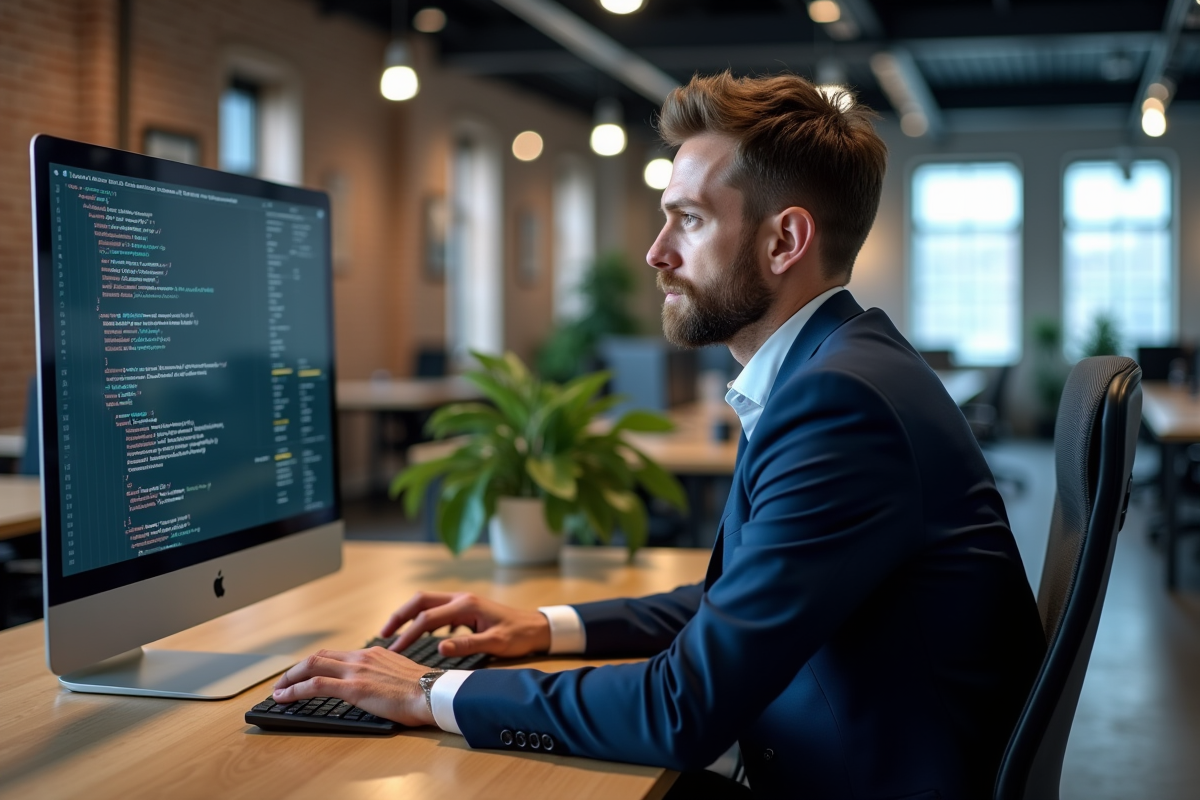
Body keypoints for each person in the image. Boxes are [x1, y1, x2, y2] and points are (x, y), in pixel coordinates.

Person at [273, 72, 1046, 799]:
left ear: (785, 242)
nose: (656, 253)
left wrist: (431, 689)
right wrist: (546, 626)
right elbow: (733, 603)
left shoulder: (840, 402)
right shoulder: (831, 367)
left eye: (691, 219)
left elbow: (682, 709)